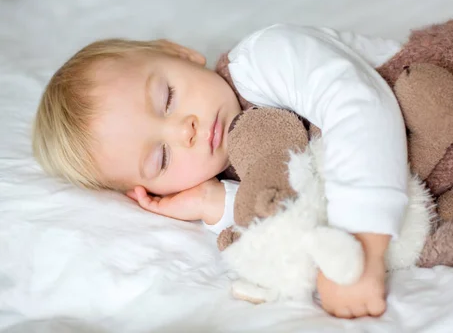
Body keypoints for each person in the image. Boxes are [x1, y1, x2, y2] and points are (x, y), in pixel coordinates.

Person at [32, 23, 409, 319]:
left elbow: (360, 105)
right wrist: (215, 202)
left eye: (167, 98)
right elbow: (294, 197)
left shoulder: (264, 59)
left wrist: (364, 243)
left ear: (179, 54)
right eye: (161, 158)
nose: (185, 130)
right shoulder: (230, 164)